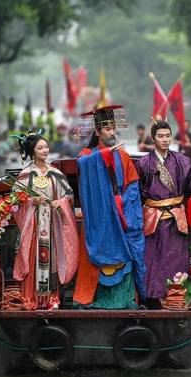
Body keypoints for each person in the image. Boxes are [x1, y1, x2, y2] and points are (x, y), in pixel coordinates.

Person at [73, 105, 147, 309]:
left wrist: (122, 203)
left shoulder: (123, 155)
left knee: (130, 250)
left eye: (113, 128)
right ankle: (92, 299)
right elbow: (82, 166)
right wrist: (103, 155)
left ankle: (126, 299)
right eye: (107, 129)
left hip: (121, 213)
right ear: (97, 132)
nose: (112, 132)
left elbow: (133, 184)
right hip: (99, 216)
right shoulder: (88, 154)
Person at [134, 119, 191, 306]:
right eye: (161, 136)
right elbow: (137, 192)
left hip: (176, 219)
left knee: (175, 259)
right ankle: (151, 298)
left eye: (168, 136)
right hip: (154, 218)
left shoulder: (182, 161)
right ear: (153, 138)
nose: (165, 140)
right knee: (152, 259)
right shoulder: (144, 163)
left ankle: (176, 298)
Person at [12, 132, 79, 310]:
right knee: (33, 258)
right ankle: (30, 298)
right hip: (33, 224)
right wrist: (31, 201)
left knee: (53, 258)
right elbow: (15, 200)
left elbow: (69, 195)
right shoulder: (26, 175)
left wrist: (61, 202)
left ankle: (52, 298)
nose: (45, 150)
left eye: (46, 147)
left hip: (51, 224)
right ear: (32, 152)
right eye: (40, 148)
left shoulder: (55, 173)